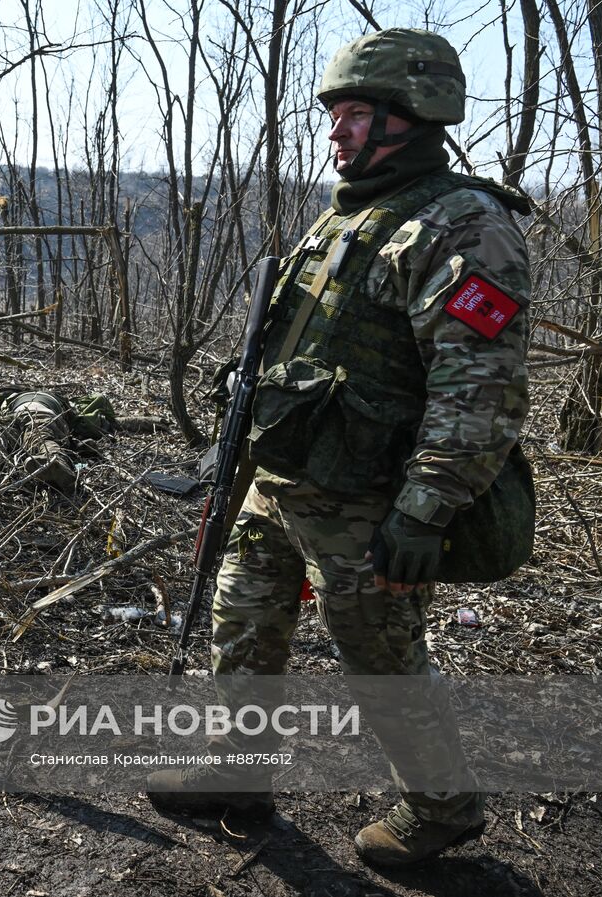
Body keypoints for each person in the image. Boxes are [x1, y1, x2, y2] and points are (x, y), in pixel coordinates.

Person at [147, 28, 532, 867]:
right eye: (335, 114)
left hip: (370, 500)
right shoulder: (347, 215)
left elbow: (481, 392)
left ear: (416, 114)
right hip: (283, 481)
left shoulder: (463, 225)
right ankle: (237, 773)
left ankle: (442, 805)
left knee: (381, 658)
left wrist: (427, 508)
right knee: (242, 623)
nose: (336, 131)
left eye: (357, 113)